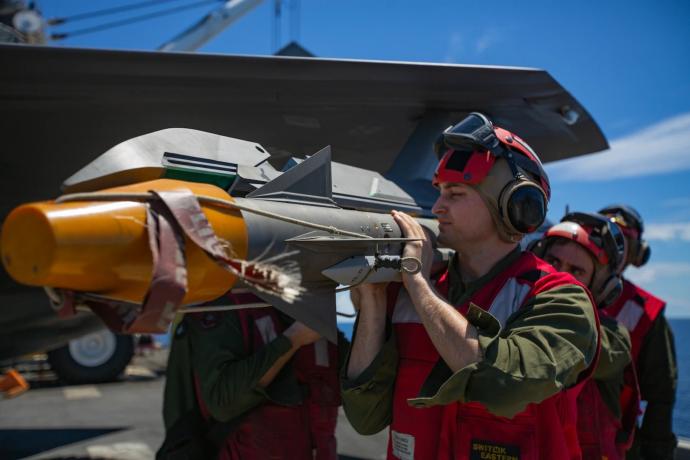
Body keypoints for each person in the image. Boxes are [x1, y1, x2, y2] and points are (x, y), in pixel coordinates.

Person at [342, 112, 600, 460]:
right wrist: (373, 297)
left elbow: (503, 385)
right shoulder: (412, 293)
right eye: (440, 192)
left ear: (511, 205)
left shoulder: (558, 297)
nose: (437, 207)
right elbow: (365, 416)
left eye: (456, 193)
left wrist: (417, 281)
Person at [157, 290, 348, 460]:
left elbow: (362, 389)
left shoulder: (313, 311)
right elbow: (223, 402)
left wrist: (368, 305)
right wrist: (293, 339)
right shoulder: (225, 305)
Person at [534, 211, 638, 459]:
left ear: (602, 287)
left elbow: (574, 348)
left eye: (576, 271)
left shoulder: (615, 338)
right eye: (553, 261)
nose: (559, 275)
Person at [598, 205, 678, 460]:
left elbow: (660, 396)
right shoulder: (551, 294)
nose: (615, 251)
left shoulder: (647, 315)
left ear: (636, 255)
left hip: (613, 446)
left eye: (623, 243)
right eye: (606, 239)